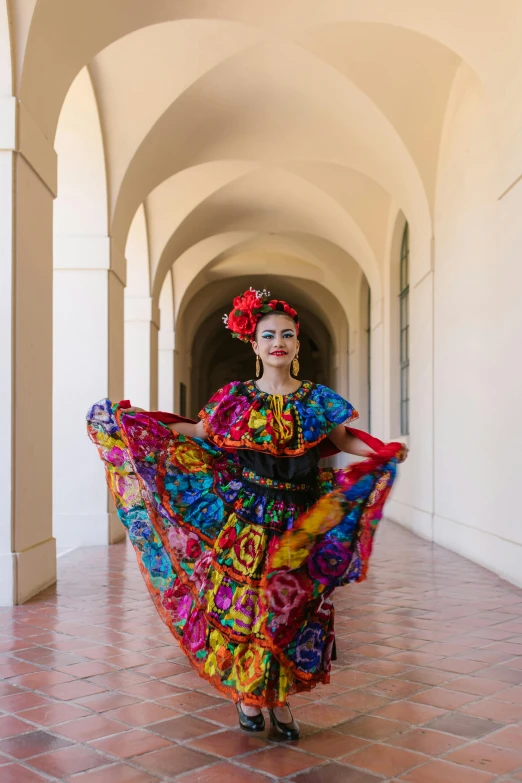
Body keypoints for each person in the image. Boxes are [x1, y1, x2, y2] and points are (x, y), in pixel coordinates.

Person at [87, 288, 406, 739]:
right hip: (248, 518)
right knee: (250, 612)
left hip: (301, 519)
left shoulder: (316, 399)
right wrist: (138, 424)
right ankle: (253, 698)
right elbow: (199, 430)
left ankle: (277, 699)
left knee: (291, 610)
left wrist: (381, 449)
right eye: (269, 335)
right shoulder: (236, 398)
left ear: (297, 345)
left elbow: (342, 437)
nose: (279, 342)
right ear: (254, 344)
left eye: (288, 335)